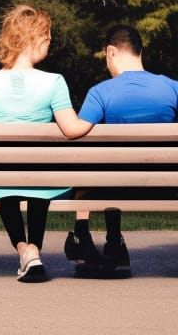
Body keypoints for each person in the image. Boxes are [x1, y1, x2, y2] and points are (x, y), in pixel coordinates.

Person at [0, 5, 91, 283]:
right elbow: (71, 128)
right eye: (48, 36)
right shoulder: (53, 82)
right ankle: (34, 247)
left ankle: (24, 250)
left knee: (6, 182)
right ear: (36, 37)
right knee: (39, 182)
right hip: (42, 175)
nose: (50, 41)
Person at [64, 25, 178, 271]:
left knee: (93, 161)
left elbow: (76, 131)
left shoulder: (101, 92)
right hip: (167, 187)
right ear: (139, 53)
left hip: (113, 186)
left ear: (111, 52)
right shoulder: (171, 87)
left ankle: (86, 236)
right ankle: (114, 242)